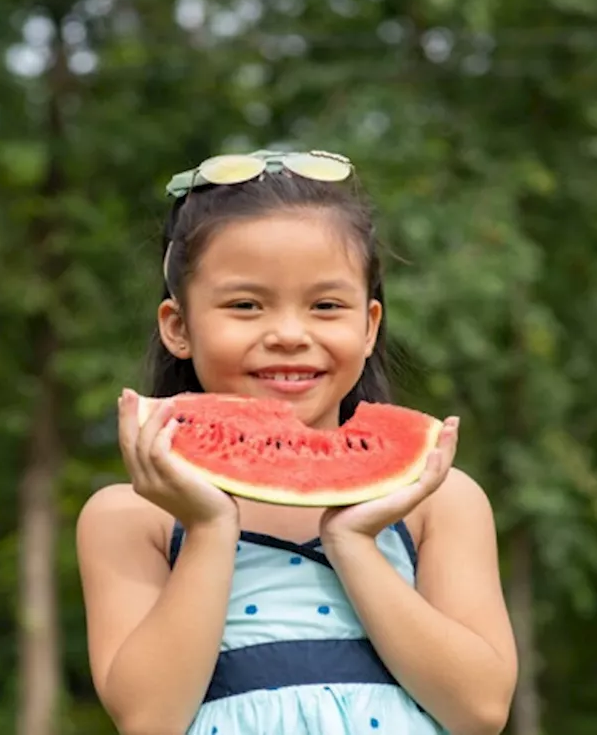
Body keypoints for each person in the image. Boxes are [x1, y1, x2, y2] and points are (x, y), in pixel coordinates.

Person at [76, 150, 518, 735]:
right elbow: (148, 720)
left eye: (326, 306)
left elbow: (481, 711)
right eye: (246, 306)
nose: (288, 334)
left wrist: (354, 540)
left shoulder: (435, 500)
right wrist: (208, 530)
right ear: (178, 327)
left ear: (368, 326)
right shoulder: (133, 515)